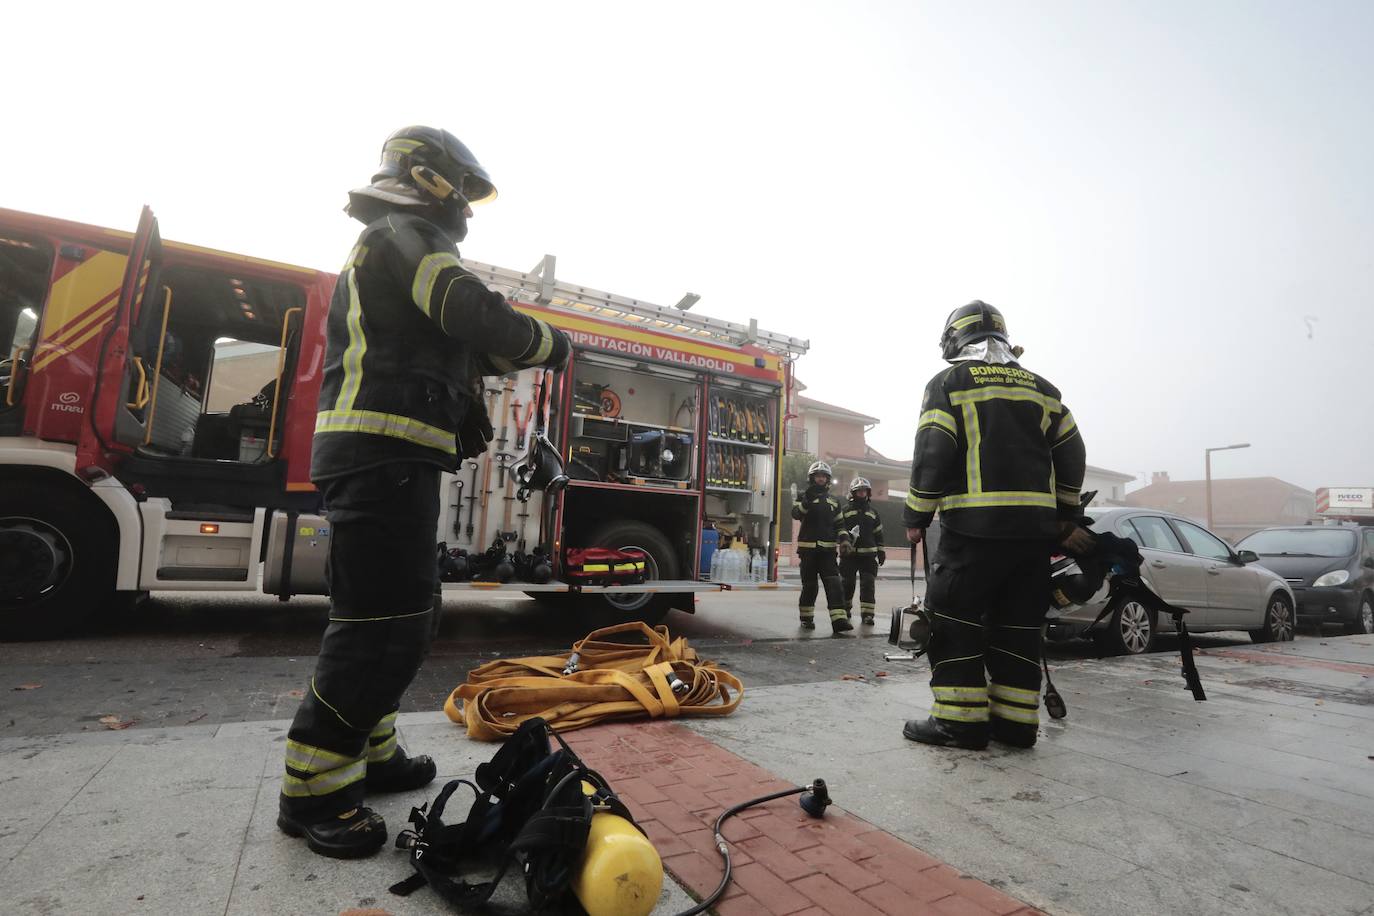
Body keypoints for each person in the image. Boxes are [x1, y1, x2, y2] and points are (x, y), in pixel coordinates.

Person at [278, 126, 571, 858]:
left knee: (400, 613)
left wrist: (499, 343)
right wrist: (551, 341)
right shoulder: (406, 233)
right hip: (382, 455)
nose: (467, 211)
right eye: (465, 194)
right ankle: (314, 791)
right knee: (382, 624)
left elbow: (468, 337)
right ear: (430, 180)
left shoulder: (391, 241)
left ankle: (370, 754)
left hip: (391, 457)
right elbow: (467, 310)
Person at [901, 301, 1092, 751]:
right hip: (1033, 540)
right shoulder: (1043, 389)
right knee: (1018, 628)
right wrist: (1064, 514)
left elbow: (934, 448)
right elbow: (1072, 451)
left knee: (954, 622)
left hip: (973, 534)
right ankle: (1016, 725)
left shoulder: (949, 382)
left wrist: (916, 515)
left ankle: (959, 724)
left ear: (954, 339)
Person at [791, 460, 853, 633]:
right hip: (807, 550)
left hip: (827, 551)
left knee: (834, 584)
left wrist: (845, 540)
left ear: (828, 479)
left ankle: (839, 620)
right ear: (812, 478)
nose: (821, 479)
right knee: (810, 586)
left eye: (824, 476)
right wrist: (807, 499)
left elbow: (840, 525)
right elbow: (797, 514)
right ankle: (806, 618)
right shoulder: (803, 496)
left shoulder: (834, 501)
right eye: (818, 476)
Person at [840, 477, 885, 625]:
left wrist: (881, 551)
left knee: (868, 585)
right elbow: (839, 531)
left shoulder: (873, 512)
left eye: (864, 490)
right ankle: (845, 610)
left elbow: (878, 533)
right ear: (853, 493)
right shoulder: (845, 511)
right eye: (858, 490)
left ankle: (867, 615)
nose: (861, 493)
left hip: (868, 556)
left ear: (868, 492)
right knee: (847, 584)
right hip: (849, 556)